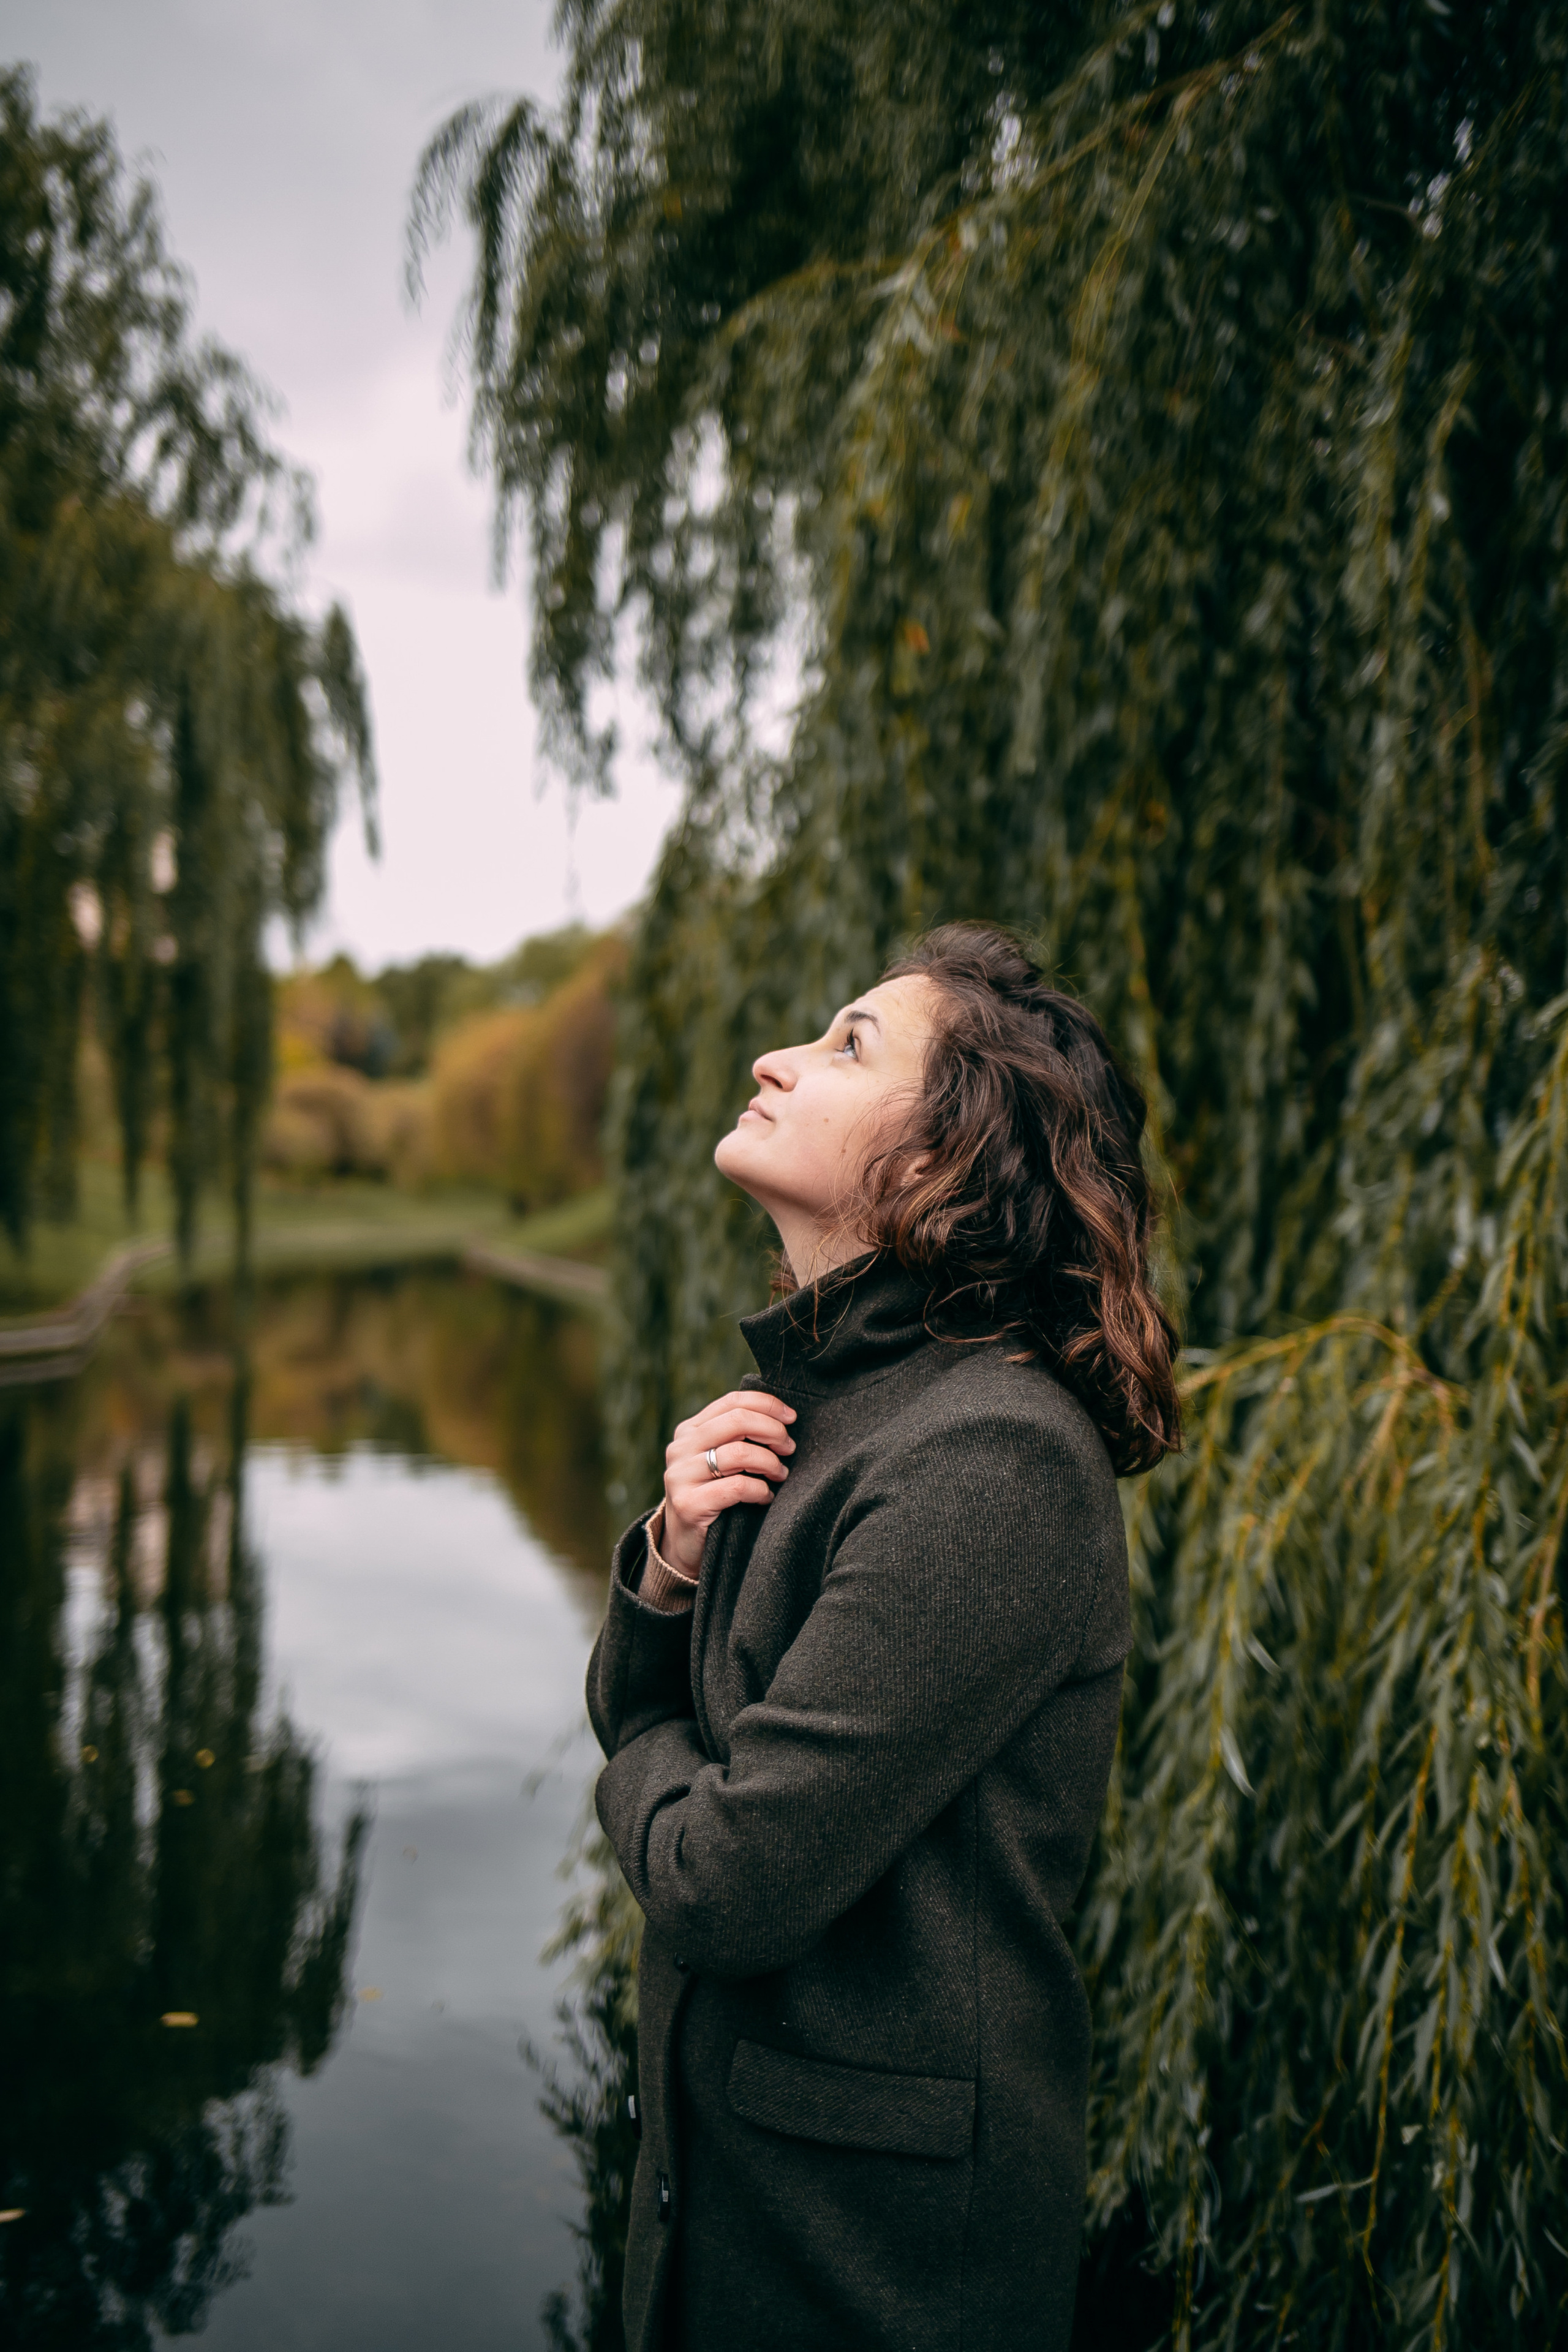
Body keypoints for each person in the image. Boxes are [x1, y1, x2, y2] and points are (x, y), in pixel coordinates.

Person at [587, 922, 1181, 2351]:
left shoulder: (987, 1457)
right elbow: (663, 1730)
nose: (772, 1058)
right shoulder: (828, 1400)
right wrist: (666, 1565)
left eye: (847, 1043)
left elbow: (721, 1880)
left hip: (871, 2273)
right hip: (727, 2214)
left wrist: (647, 1759)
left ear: (942, 1162)